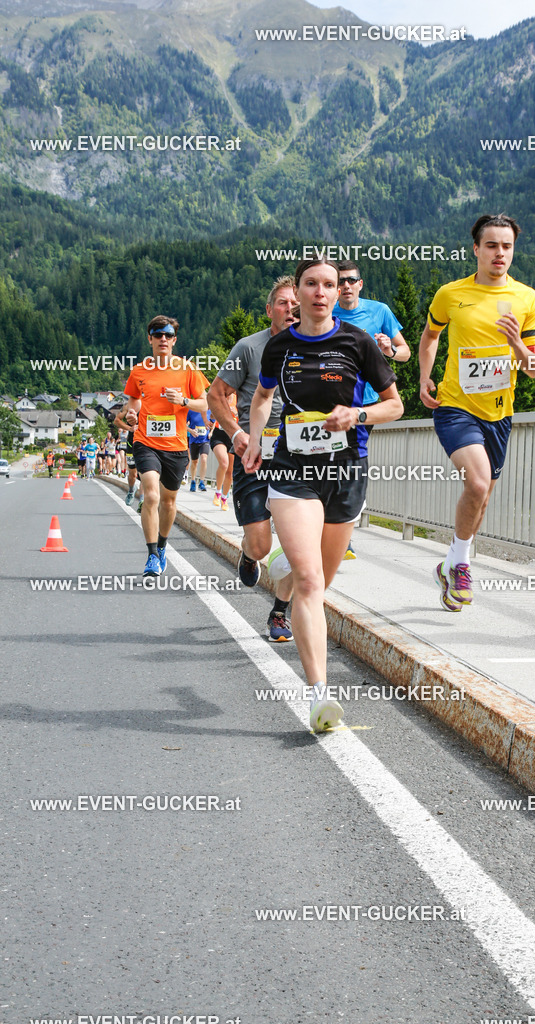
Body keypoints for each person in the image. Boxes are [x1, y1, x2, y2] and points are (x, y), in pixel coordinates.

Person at [243, 259, 403, 729]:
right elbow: (262, 397)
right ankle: (318, 696)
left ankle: (285, 564)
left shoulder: (356, 343)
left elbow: (394, 405)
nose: (319, 292)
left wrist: (358, 415)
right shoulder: (280, 346)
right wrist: (255, 440)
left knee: (322, 579)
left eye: (329, 284)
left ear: (339, 294)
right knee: (311, 584)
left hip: (346, 472)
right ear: (299, 291)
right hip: (292, 471)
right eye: (310, 284)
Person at [418, 213, 535, 611]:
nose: (499, 253)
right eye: (491, 245)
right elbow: (430, 336)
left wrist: (517, 345)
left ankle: (453, 562)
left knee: (484, 493)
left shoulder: (527, 298)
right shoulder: (450, 294)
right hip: (455, 406)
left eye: (506, 246)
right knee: (477, 483)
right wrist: (425, 377)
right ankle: (462, 565)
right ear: (476, 248)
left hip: (499, 412)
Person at [207, 276, 298, 642]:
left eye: (295, 302)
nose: (290, 309)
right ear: (269, 309)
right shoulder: (249, 347)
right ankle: (248, 553)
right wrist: (237, 433)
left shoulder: (318, 346)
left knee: (298, 544)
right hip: (254, 455)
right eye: (282, 303)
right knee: (262, 546)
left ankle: (279, 613)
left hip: (300, 457)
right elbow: (216, 395)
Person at [332, 258, 411, 559]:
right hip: (331, 402)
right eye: (340, 281)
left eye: (351, 280)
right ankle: (334, 528)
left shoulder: (379, 311)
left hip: (365, 404)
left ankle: (343, 534)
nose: (346, 286)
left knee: (349, 463)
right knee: (333, 464)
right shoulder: (326, 311)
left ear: (360, 284)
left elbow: (404, 352)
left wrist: (389, 349)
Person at [122, 316, 209, 577]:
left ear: (174, 340)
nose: (163, 339)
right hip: (145, 441)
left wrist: (183, 400)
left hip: (176, 445)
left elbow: (204, 404)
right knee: (151, 495)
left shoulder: (188, 369)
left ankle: (161, 546)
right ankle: (150, 556)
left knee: (169, 502)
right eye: (157, 334)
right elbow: (134, 403)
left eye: (168, 335)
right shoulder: (138, 371)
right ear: (149, 339)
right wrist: (131, 415)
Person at [209, 402, 237, 510]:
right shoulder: (221, 396)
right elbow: (211, 415)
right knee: (224, 463)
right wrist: (215, 413)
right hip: (219, 435)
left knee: (230, 471)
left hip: (233, 436)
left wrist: (236, 414)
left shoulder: (239, 398)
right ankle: (218, 492)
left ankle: (224, 499)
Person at [186, 408, 212, 491]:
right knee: (194, 461)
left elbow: (214, 422)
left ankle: (202, 482)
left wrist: (211, 432)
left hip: (205, 440)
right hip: (194, 440)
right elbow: (183, 424)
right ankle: (193, 481)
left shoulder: (209, 410)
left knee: (204, 459)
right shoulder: (191, 411)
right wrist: (190, 431)